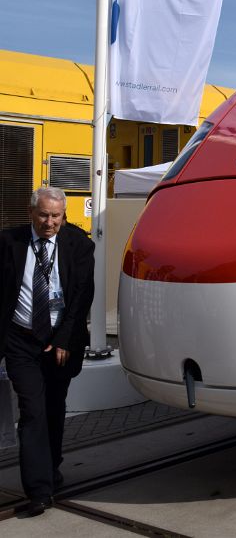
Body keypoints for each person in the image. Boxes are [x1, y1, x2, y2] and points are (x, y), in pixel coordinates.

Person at [0, 187, 95, 517]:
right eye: (43, 215)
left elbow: (82, 296)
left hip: (60, 342)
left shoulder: (79, 245)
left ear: (63, 215)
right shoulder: (8, 243)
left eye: (56, 216)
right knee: (32, 412)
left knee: (54, 409)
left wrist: (66, 339)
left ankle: (51, 468)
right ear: (31, 213)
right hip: (20, 340)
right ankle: (39, 491)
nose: (49, 222)